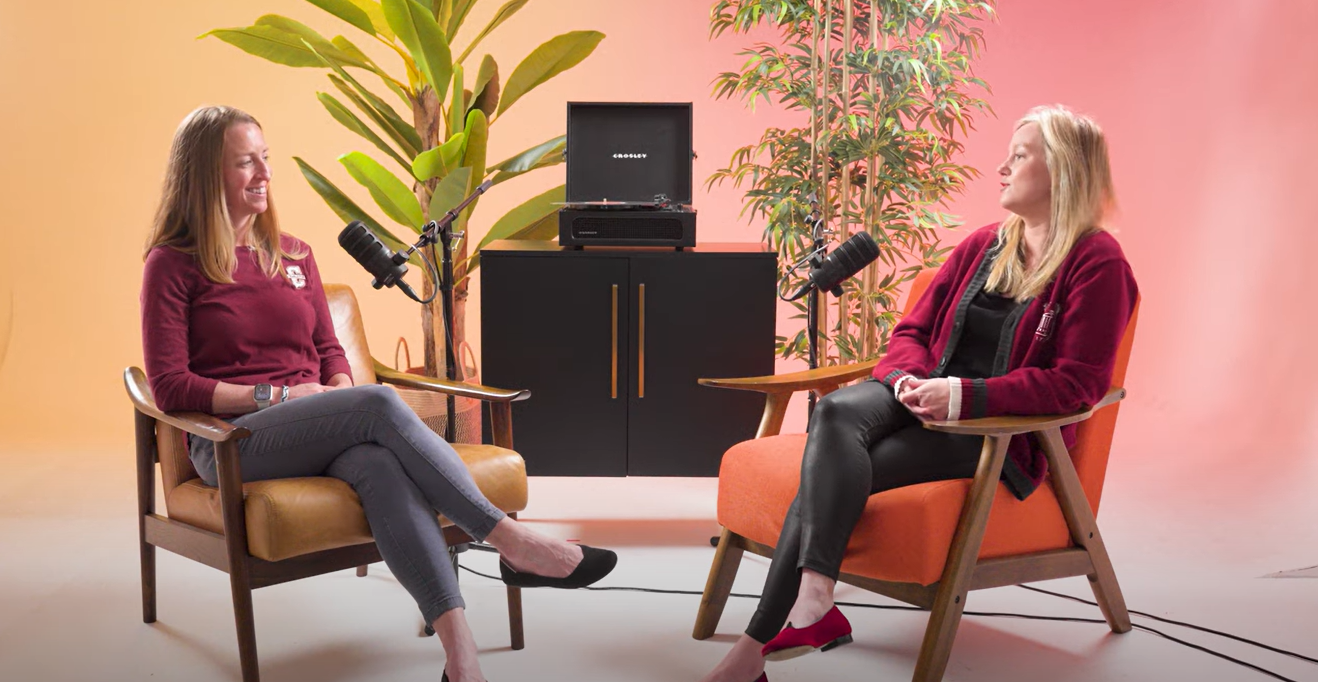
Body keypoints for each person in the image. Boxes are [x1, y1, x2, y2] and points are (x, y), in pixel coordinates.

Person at [140, 105, 617, 682]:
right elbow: (169, 386)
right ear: (203, 176)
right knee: (377, 402)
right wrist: (278, 399)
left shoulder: (293, 254)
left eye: (265, 158)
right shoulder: (173, 264)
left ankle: (461, 661)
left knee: (378, 464)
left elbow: (328, 350)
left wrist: (334, 390)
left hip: (317, 421)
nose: (264, 173)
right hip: (234, 442)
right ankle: (512, 540)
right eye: (246, 162)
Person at [698, 105, 1139, 682]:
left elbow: (1076, 384)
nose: (1002, 167)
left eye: (1020, 155)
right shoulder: (986, 244)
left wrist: (960, 397)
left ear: (1063, 171)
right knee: (834, 413)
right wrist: (906, 380)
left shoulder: (1097, 263)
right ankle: (815, 599)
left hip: (992, 434)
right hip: (920, 398)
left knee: (829, 476)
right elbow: (913, 332)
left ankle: (749, 655)